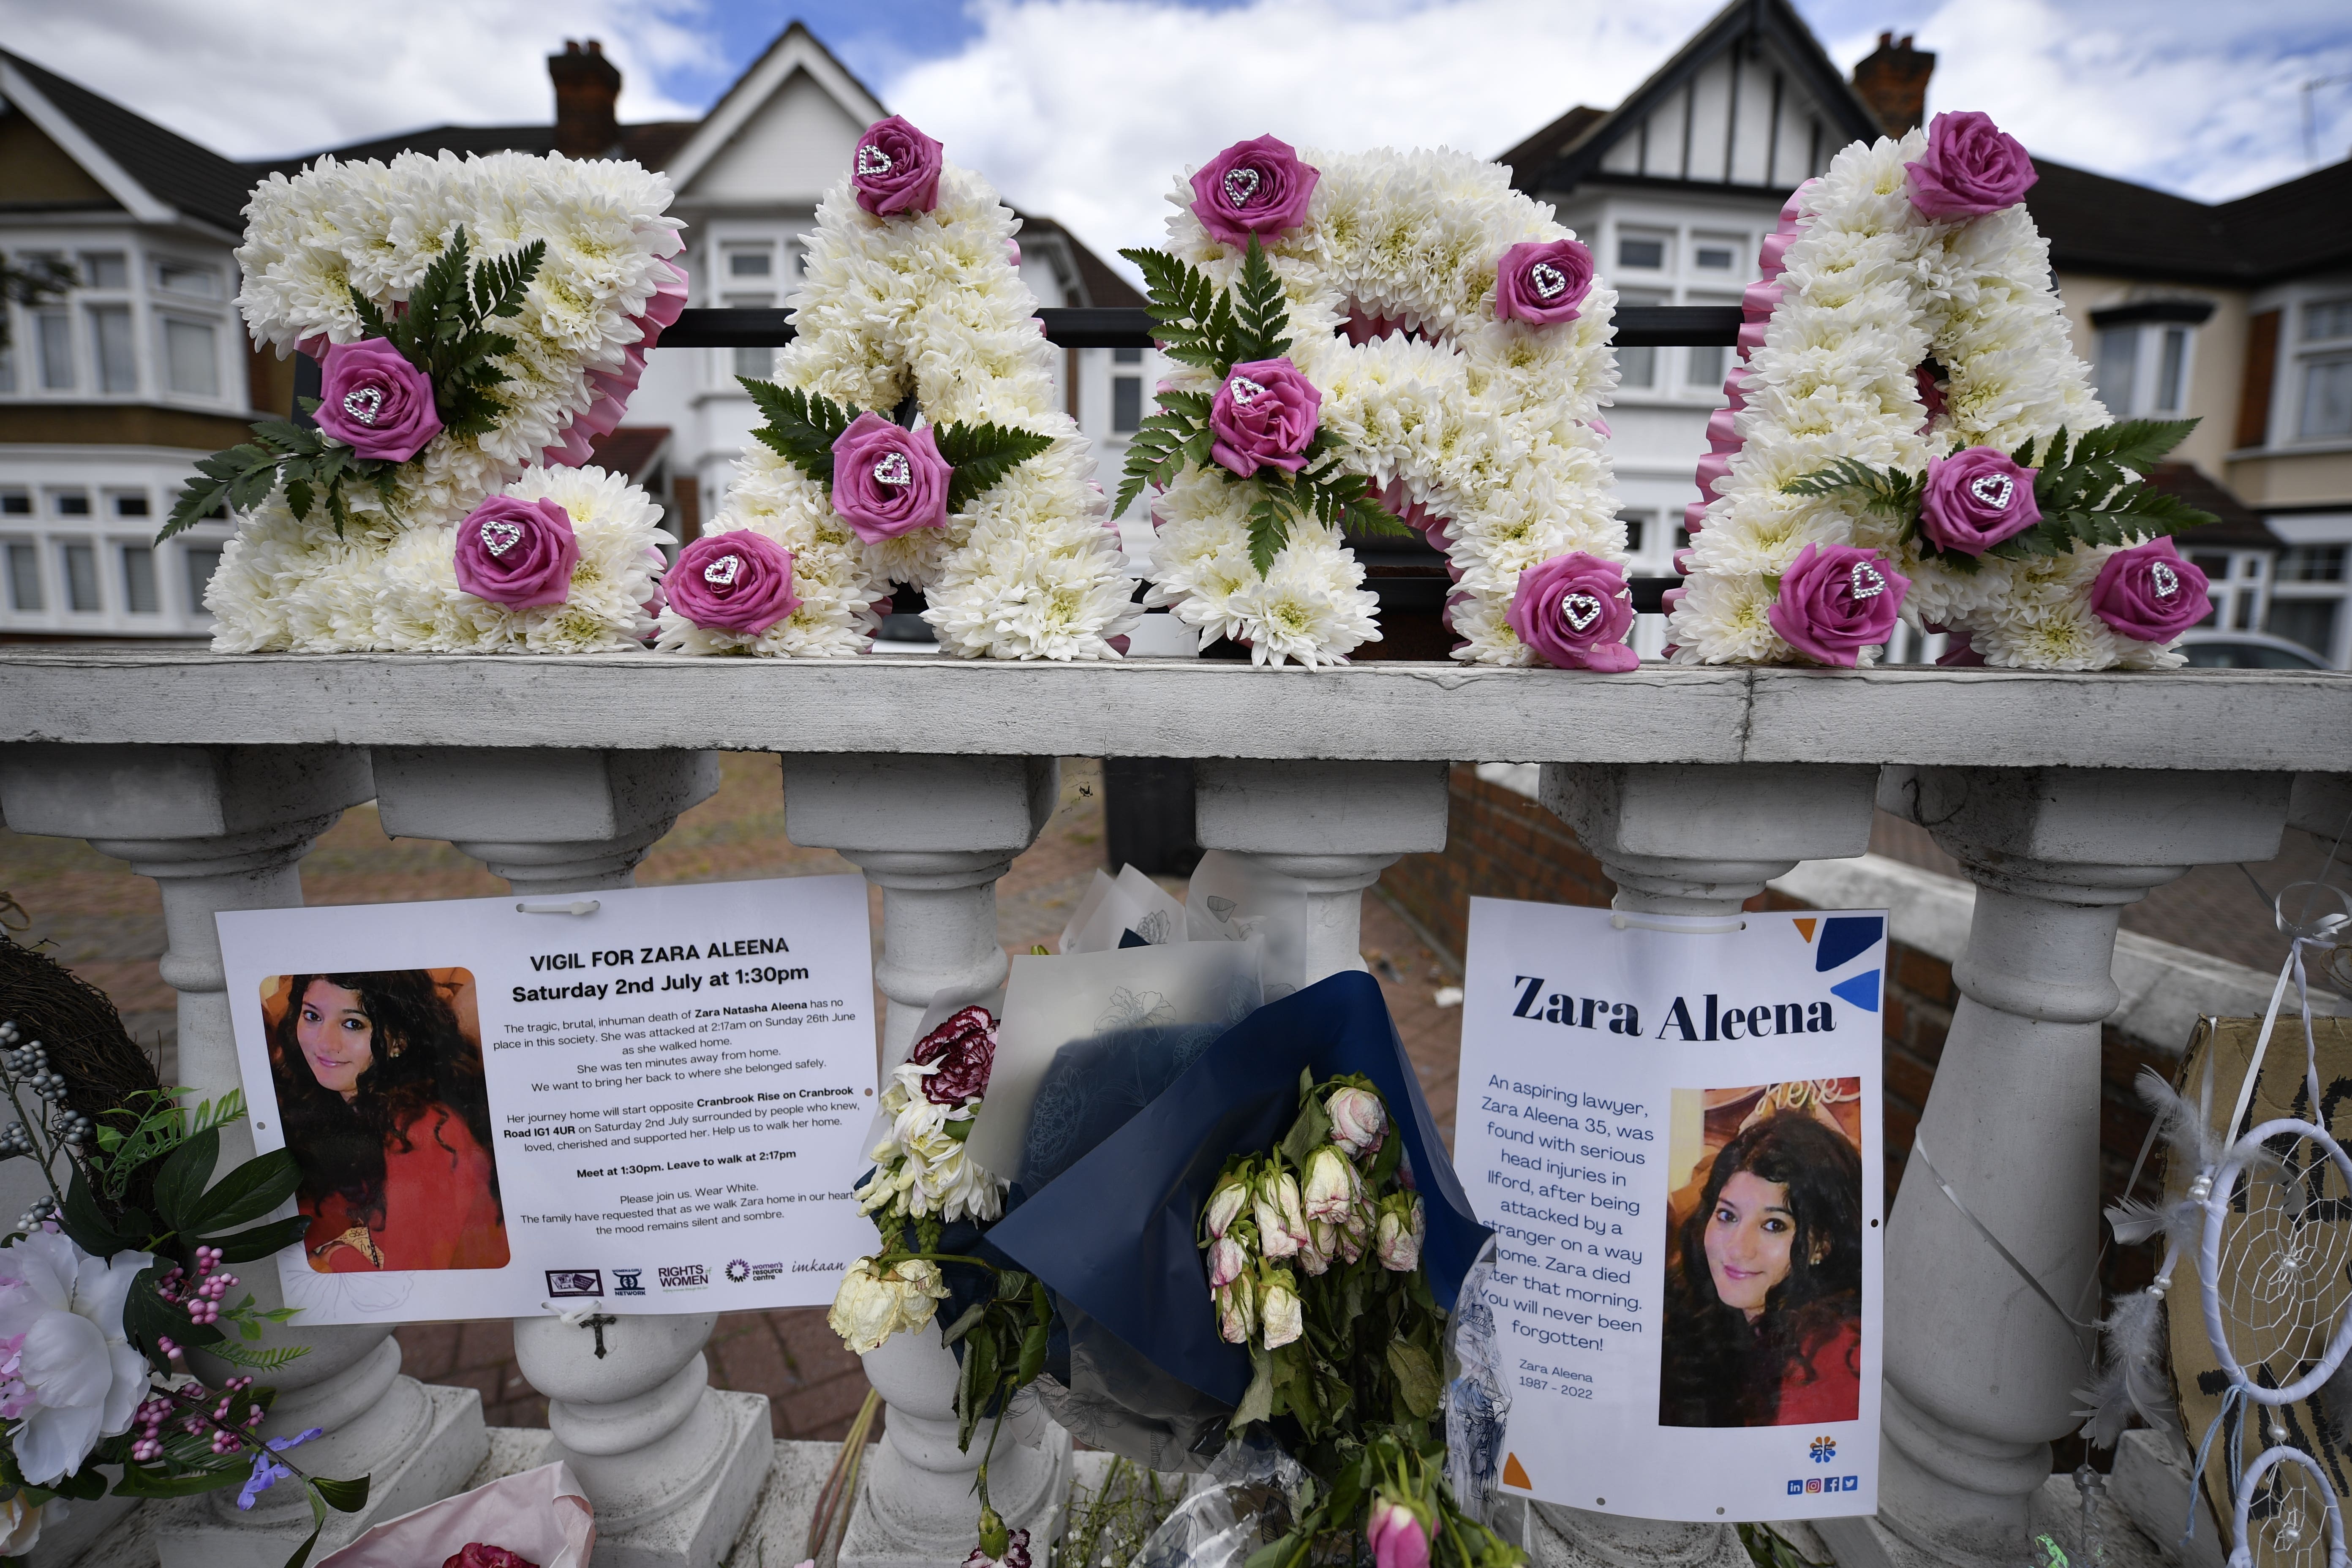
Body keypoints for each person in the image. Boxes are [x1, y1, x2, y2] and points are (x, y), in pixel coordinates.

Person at [269, 971, 508, 1272]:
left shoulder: (424, 1132)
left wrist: (334, 1256)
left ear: (399, 1040)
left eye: (353, 1024)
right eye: (312, 1016)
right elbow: (336, 1202)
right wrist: (275, 1243)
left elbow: (411, 1280)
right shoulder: (356, 1100)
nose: (324, 1043)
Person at [1658, 1110, 1862, 1427]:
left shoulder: (1832, 1351)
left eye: (1773, 1225)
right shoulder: (1692, 1301)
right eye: (1727, 1216)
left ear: (1821, 1246)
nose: (1738, 1248)